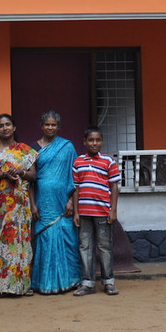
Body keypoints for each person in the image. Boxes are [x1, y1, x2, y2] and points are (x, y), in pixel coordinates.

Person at [0, 113, 38, 296]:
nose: (5, 128)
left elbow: (33, 176)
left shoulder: (25, 150)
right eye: (1, 125)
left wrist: (21, 172)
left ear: (14, 128)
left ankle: (23, 286)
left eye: (8, 124)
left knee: (22, 242)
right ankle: (4, 287)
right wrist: (4, 174)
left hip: (21, 203)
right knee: (3, 243)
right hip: (0, 205)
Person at [30, 111, 80, 294]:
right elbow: (30, 181)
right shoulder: (33, 149)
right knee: (44, 239)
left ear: (58, 127)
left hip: (63, 201)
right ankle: (44, 283)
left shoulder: (67, 147)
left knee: (67, 238)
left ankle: (70, 280)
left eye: (53, 125)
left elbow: (74, 176)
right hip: (43, 202)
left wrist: (71, 201)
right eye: (47, 124)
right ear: (41, 126)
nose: (50, 127)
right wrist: (33, 205)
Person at [72, 126, 121, 297]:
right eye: (91, 140)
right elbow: (76, 188)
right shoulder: (78, 162)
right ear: (84, 142)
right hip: (84, 213)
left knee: (105, 246)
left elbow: (114, 187)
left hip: (103, 212)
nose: (94, 143)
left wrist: (113, 210)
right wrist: (76, 212)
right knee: (85, 246)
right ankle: (88, 283)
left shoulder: (109, 161)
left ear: (102, 141)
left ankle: (108, 282)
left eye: (98, 140)